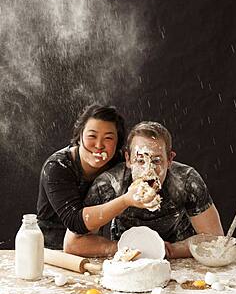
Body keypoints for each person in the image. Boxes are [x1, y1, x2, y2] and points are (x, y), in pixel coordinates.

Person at [64, 121, 224, 258]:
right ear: (128, 160)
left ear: (169, 160)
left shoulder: (187, 180)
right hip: (128, 260)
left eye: (156, 160)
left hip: (179, 261)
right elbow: (73, 244)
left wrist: (171, 250)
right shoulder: (109, 184)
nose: (149, 170)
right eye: (140, 160)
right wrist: (124, 249)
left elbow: (215, 238)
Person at [37, 104, 126, 249]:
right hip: (50, 252)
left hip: (90, 247)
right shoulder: (57, 167)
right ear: (79, 137)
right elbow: (75, 222)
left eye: (108, 138)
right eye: (92, 136)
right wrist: (126, 200)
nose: (99, 145)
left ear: (118, 143)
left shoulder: (118, 162)